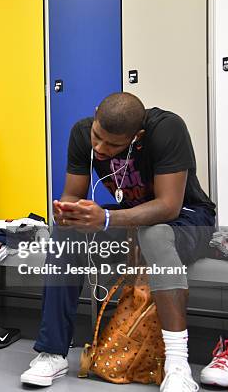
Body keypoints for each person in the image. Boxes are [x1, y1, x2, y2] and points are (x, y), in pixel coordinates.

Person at [20, 92, 215, 391]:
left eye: (112, 144)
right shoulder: (82, 133)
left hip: (187, 219)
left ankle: (177, 365)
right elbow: (73, 193)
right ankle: (53, 352)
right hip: (131, 218)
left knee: (155, 232)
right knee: (65, 233)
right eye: (98, 137)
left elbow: (168, 206)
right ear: (96, 116)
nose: (99, 148)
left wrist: (107, 220)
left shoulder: (168, 129)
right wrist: (67, 213)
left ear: (136, 137)